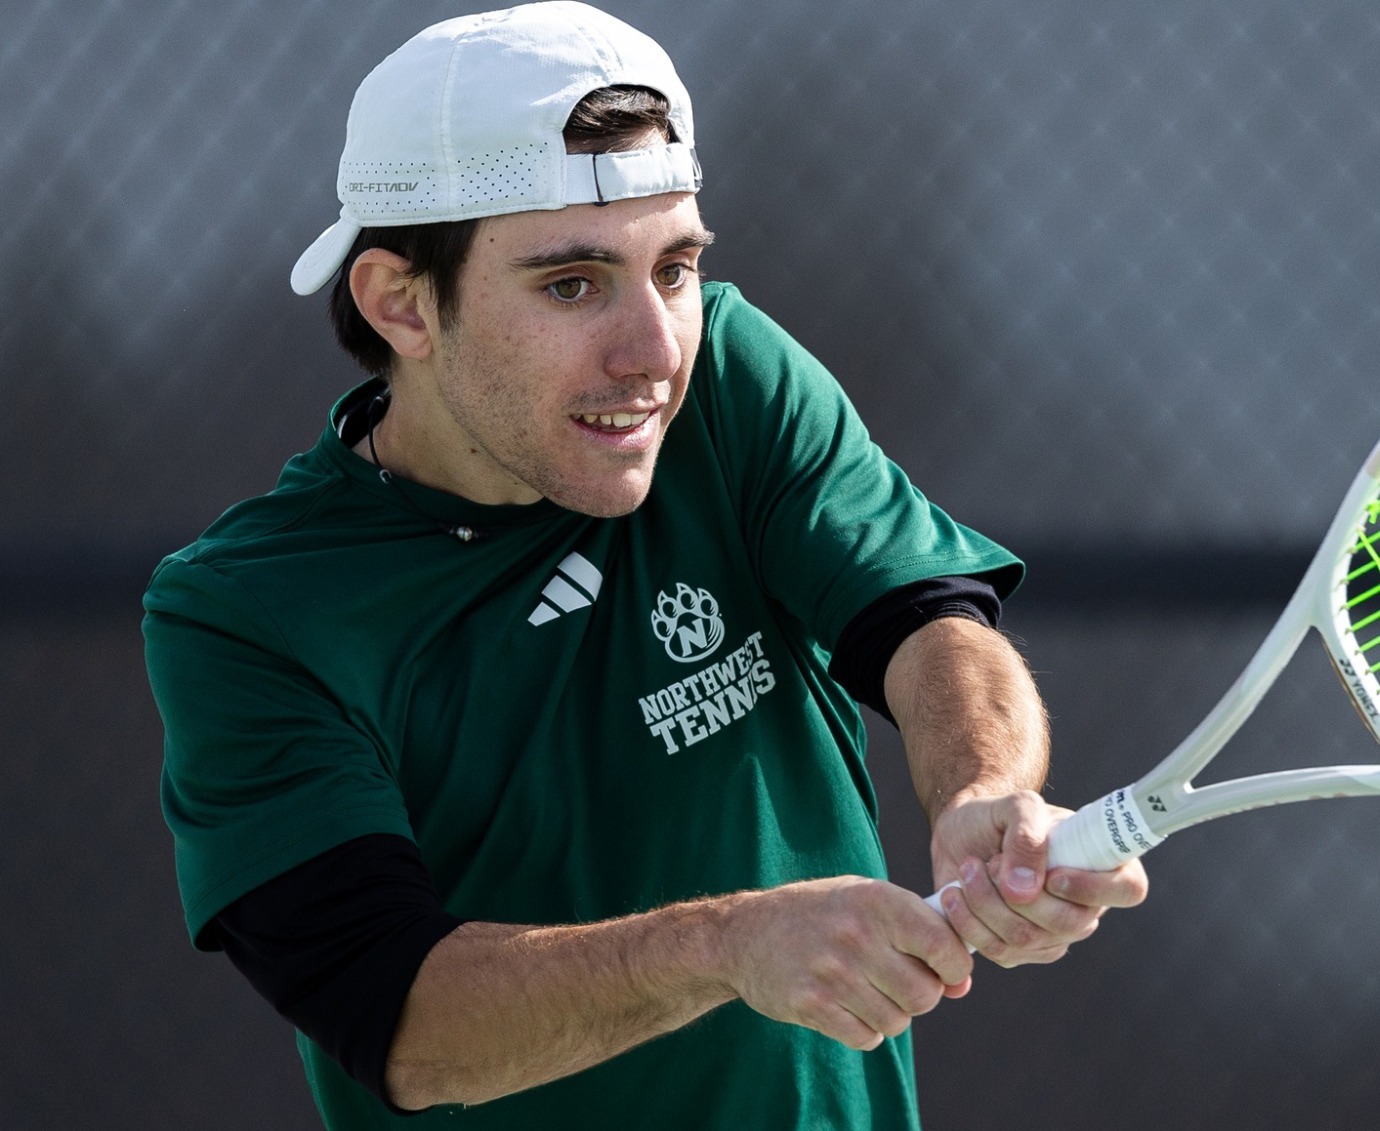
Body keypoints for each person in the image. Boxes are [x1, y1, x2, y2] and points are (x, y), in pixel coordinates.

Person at [141, 4, 1146, 1127]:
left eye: (671, 268)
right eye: (572, 285)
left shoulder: (731, 385)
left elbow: (926, 621)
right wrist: (729, 946)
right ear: (401, 304)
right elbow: (406, 1025)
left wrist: (984, 792)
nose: (655, 351)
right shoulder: (245, 611)